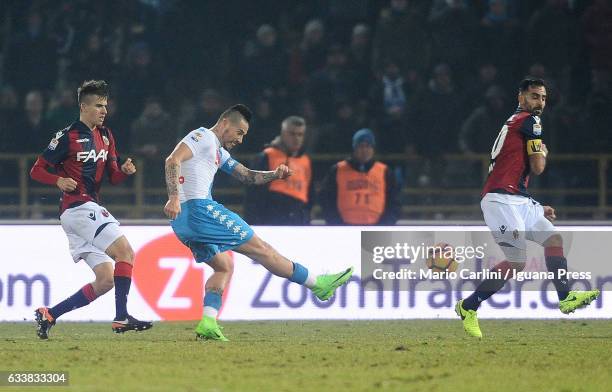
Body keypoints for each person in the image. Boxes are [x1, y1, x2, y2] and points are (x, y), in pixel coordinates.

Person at [163, 104, 353, 341]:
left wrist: (275, 174)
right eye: (239, 132)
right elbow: (172, 160)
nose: (241, 140)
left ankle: (208, 322)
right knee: (262, 250)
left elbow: (247, 176)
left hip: (183, 223)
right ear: (224, 124)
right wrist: (173, 198)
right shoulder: (202, 137)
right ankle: (318, 285)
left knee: (224, 266)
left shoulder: (218, 152)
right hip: (199, 211)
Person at [455, 78, 600, 338]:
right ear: (520, 97)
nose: (540, 103)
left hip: (518, 199)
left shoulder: (515, 121)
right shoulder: (530, 122)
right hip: (500, 199)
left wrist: (534, 207)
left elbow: (515, 166)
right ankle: (469, 306)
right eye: (534, 96)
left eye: (543, 98)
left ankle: (565, 297)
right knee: (517, 261)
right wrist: (543, 152)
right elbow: (537, 167)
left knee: (553, 238)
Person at [30, 80, 152, 339]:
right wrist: (58, 180)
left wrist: (125, 172)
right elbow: (36, 169)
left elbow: (113, 177)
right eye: (98, 105)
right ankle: (121, 317)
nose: (103, 110)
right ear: (84, 107)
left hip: (84, 211)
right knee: (126, 253)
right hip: (77, 207)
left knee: (106, 279)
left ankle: (49, 314)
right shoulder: (67, 136)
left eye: (105, 105)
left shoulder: (106, 136)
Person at [319, 128, 400, 225]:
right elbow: (326, 200)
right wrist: (337, 225)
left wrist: (383, 226)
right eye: (361, 146)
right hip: (344, 230)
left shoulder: (385, 172)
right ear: (354, 148)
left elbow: (394, 202)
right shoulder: (337, 170)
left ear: (373, 149)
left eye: (368, 146)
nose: (364, 150)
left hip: (376, 230)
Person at [244, 116, 312, 225]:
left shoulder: (305, 161)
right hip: (271, 219)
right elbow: (253, 195)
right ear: (283, 134)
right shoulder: (266, 156)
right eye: (292, 134)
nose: (297, 139)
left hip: (297, 220)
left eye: (300, 134)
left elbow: (309, 193)